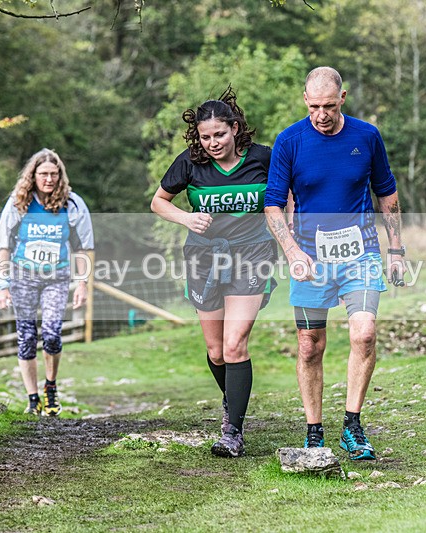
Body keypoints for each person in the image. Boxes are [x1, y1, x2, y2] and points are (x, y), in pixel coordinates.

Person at [264, 67, 406, 460]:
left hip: (361, 254)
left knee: (364, 334)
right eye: (313, 107)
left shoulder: (367, 136)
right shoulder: (289, 141)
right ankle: (314, 431)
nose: (321, 114)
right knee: (310, 345)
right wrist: (292, 252)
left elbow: (387, 194)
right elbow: (273, 204)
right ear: (304, 100)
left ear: (343, 98)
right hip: (309, 258)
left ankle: (353, 426)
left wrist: (396, 251)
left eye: (328, 105)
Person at [150, 88, 276, 458]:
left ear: (235, 129)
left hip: (252, 256)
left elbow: (289, 194)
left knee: (236, 344)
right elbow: (158, 202)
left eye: (219, 134)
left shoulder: (263, 159)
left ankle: (232, 431)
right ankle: (231, 402)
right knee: (217, 351)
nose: (213, 143)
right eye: (206, 137)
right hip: (205, 260)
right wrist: (186, 217)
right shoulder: (189, 163)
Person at [0, 148, 93, 417]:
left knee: (51, 333)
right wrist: (1, 284)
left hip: (56, 278)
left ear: (60, 175)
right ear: (33, 175)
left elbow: (83, 248)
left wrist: (82, 283)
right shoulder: (19, 202)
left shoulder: (72, 204)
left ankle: (50, 388)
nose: (49, 179)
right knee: (26, 338)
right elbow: (3, 245)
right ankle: (32, 398)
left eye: (53, 174)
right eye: (43, 174)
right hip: (22, 277)